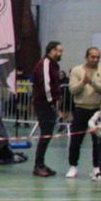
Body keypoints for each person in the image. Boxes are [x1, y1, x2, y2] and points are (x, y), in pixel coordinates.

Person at [66, 46, 101, 178]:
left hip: (98, 110)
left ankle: (97, 167)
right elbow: (72, 90)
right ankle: (73, 166)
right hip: (81, 108)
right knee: (76, 140)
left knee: (98, 141)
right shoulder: (77, 70)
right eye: (93, 57)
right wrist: (83, 82)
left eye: (98, 57)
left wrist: (93, 82)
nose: (95, 59)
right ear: (86, 57)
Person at [30, 40, 65, 177]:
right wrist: (51, 102)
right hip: (44, 104)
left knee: (48, 134)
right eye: (59, 50)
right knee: (45, 134)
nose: (61, 53)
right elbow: (46, 84)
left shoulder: (54, 65)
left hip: (50, 104)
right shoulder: (45, 64)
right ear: (52, 50)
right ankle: (38, 165)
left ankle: (41, 163)